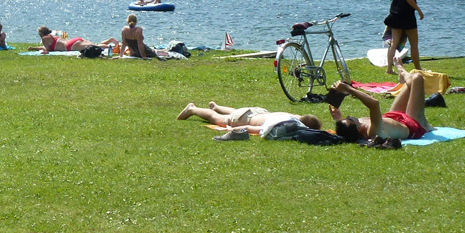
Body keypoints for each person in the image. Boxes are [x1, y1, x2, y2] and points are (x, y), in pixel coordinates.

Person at [330, 71, 434, 148]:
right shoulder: (373, 131)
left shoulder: (357, 126)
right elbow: (374, 104)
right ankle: (425, 124)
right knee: (417, 78)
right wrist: (348, 89)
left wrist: (338, 119)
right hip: (412, 125)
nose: (348, 116)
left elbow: (344, 133)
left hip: (392, 117)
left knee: (410, 82)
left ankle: (402, 73)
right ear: (358, 128)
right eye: (349, 119)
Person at [384, 0, 424, 74]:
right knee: (414, 44)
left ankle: (389, 69)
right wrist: (419, 10)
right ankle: (418, 68)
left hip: (395, 13)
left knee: (394, 43)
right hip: (407, 14)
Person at [177, 101, 321, 133]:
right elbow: (249, 128)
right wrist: (230, 130)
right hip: (245, 118)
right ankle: (192, 109)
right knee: (215, 119)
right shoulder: (282, 125)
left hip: (258, 111)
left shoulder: (295, 116)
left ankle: (216, 106)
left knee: (236, 112)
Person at [28, 26, 119, 55]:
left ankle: (113, 47)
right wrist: (33, 48)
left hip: (69, 46)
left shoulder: (44, 38)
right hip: (73, 40)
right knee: (94, 45)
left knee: (94, 47)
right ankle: (110, 42)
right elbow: (45, 47)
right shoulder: (52, 35)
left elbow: (47, 49)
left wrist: (36, 49)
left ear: (41, 34)